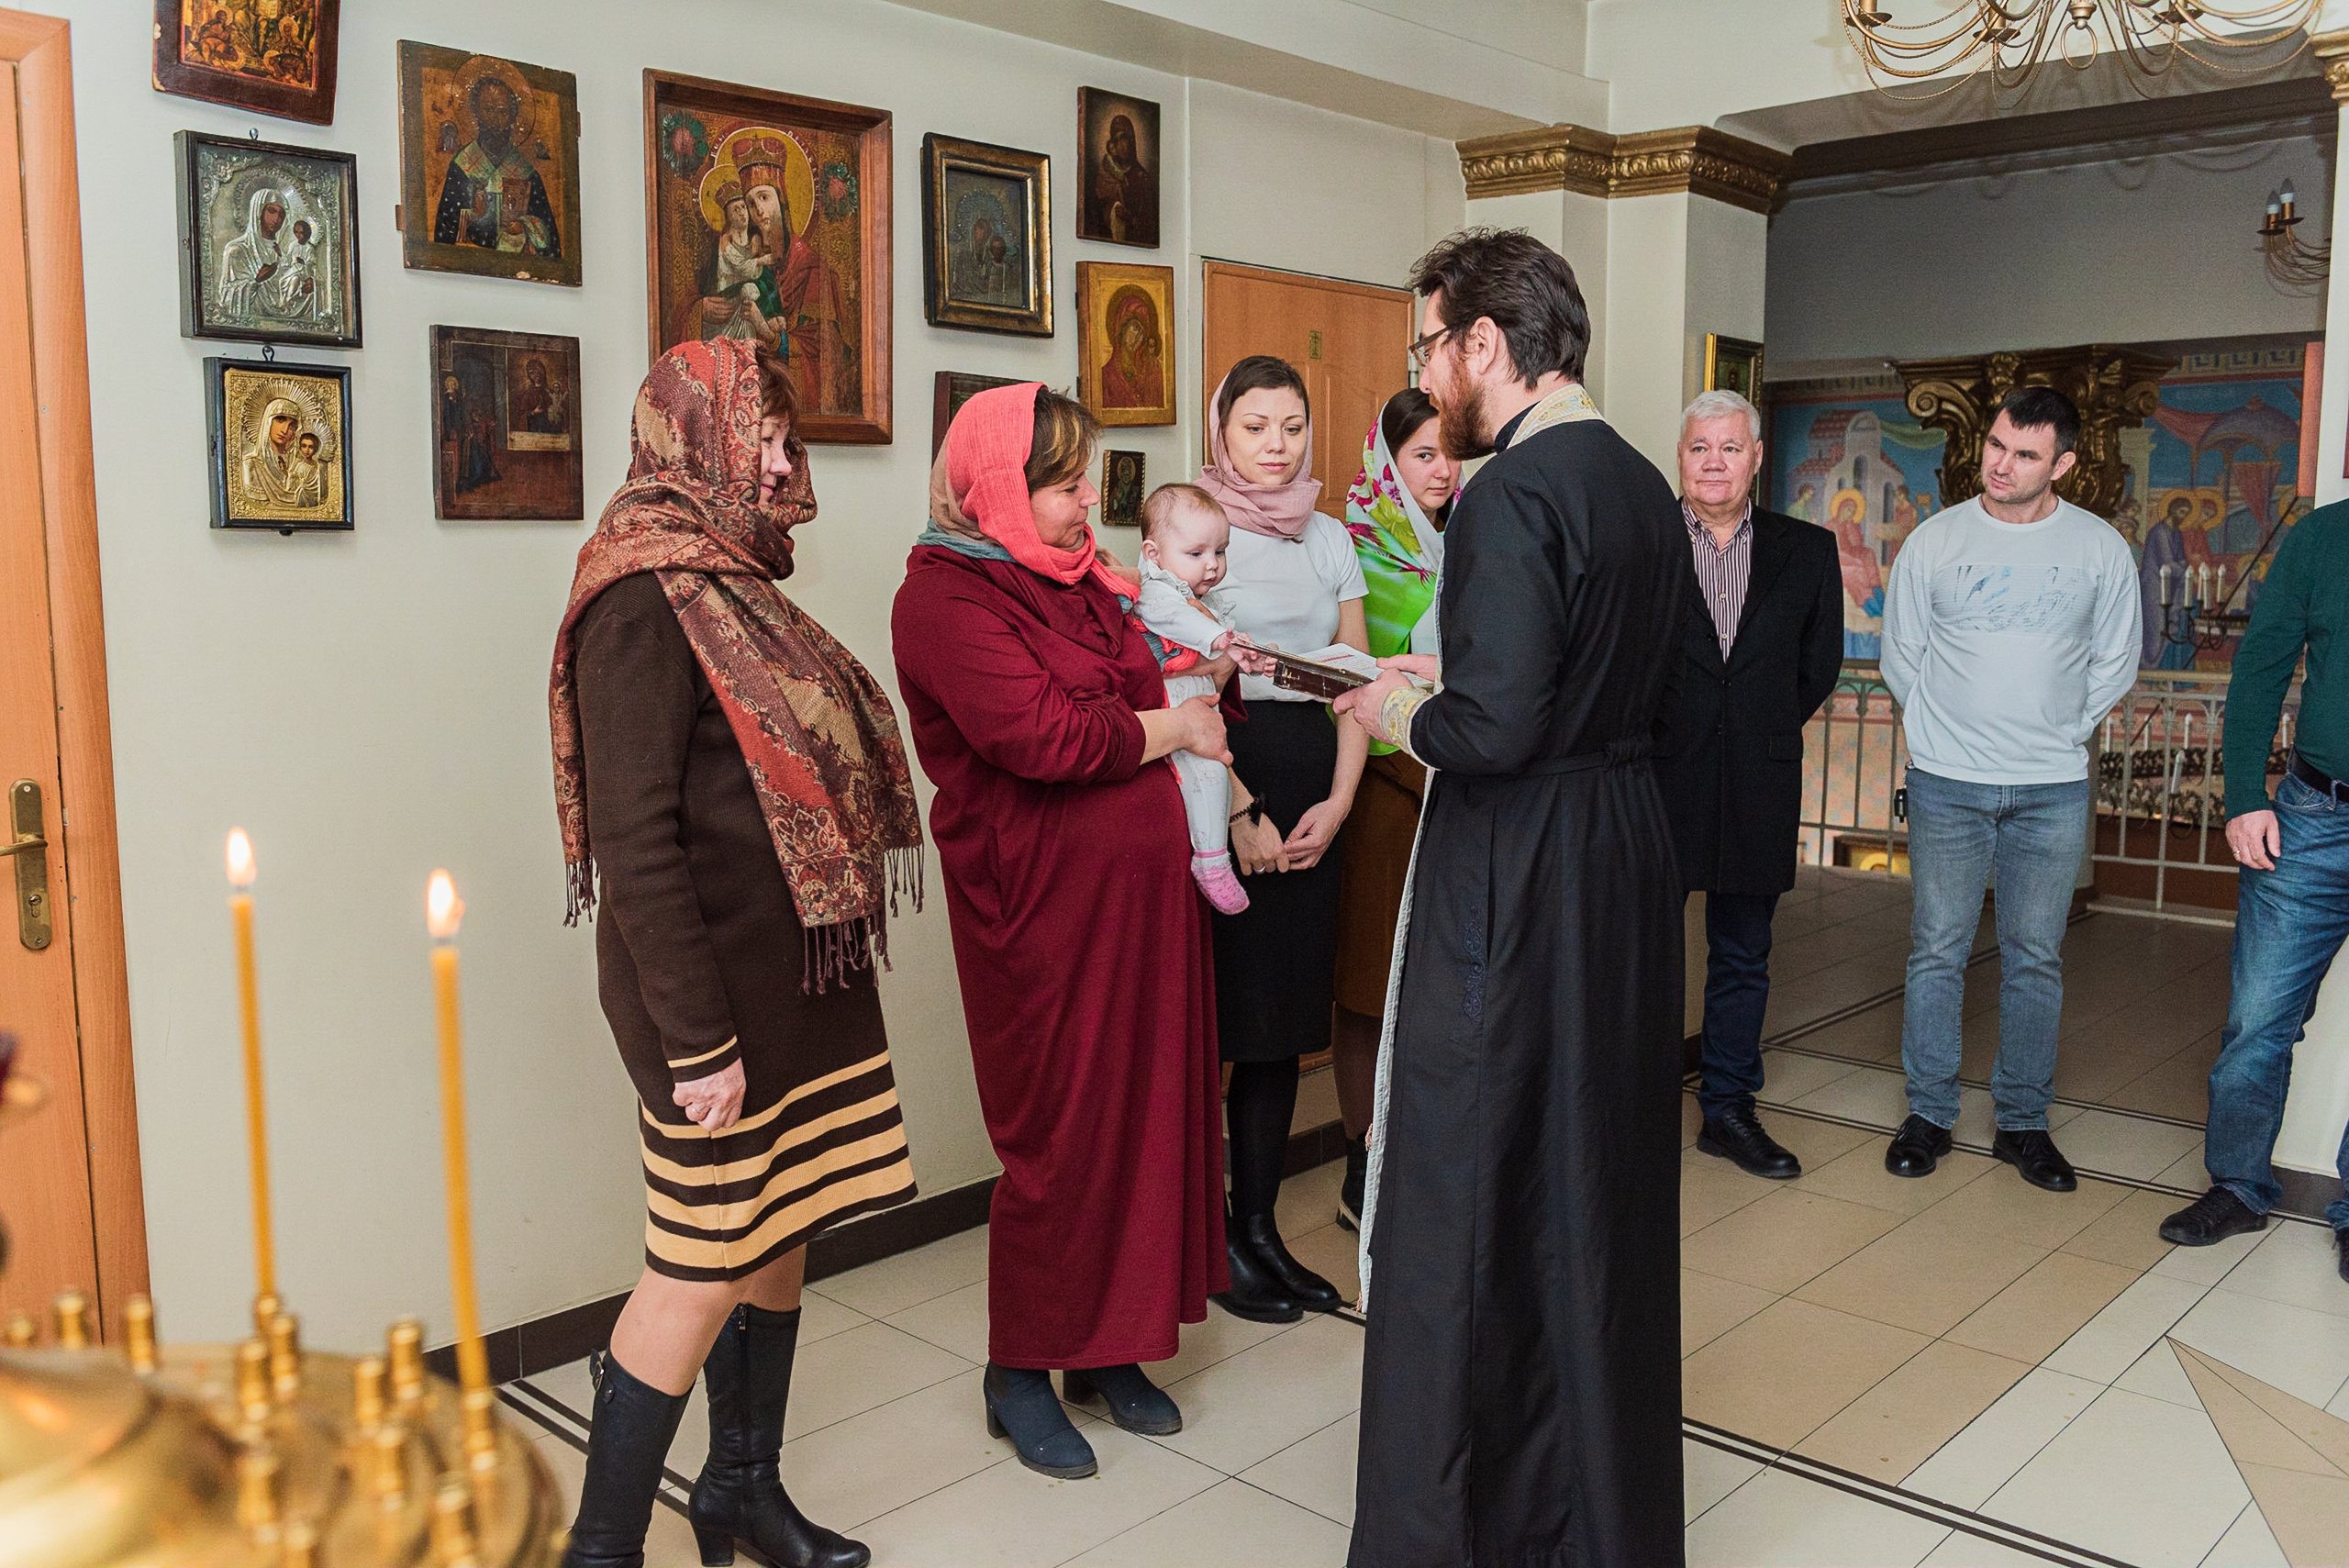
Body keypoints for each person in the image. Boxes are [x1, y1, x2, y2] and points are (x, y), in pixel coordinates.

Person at [1333, 227, 1688, 1568]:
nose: (1427, 379)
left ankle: (1466, 1526)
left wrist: (1393, 704)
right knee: (1591, 1174)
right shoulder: (1645, 485)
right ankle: (1594, 1517)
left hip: (1521, 866)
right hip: (1620, 856)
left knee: (1469, 1181)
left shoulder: (1509, 497)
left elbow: (1493, 725)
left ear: (1489, 345)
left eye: (1431, 348)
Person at [548, 338, 922, 1568]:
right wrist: (697, 1041)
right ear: (688, 435)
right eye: (755, 432)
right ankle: (601, 1549)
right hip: (713, 1008)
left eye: (783, 431)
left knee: (781, 1228)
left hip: (795, 980)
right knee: (699, 1265)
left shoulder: (736, 574)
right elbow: (635, 841)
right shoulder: (639, 592)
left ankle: (740, 1493)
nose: (780, 456)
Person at [891, 383, 1233, 1480]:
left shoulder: (1087, 584)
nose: (1090, 502)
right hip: (1037, 909)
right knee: (1060, 1133)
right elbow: (1043, 736)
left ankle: (1113, 1347)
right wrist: (1171, 724)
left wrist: (1140, 720)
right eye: (1063, 484)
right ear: (992, 487)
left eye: (1087, 478)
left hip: (1139, 901)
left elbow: (1117, 695)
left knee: (1145, 1111)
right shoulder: (943, 598)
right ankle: (1020, 1368)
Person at [1879, 387, 2141, 1191]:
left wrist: (2060, 730)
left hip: (2050, 789)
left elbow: (2117, 660)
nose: (2000, 463)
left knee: (2035, 956)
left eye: (2025, 453)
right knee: (1936, 950)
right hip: (1947, 783)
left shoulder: (2098, 548)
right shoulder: (1936, 540)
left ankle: (2022, 1124)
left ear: (2062, 462)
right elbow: (1902, 656)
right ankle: (1928, 1113)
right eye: (1996, 445)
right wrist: (1934, 741)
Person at [1197, 354, 1366, 1323]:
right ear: (1223, 430)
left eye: (1292, 426)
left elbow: (1352, 677)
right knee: (1224, 1024)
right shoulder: (1197, 531)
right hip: (1232, 777)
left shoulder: (1330, 537)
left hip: (1314, 784)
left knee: (1279, 1036)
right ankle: (1209, 1237)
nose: (1275, 446)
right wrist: (1233, 807)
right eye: (1255, 426)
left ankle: (1257, 1228)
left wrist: (1340, 801)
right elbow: (1182, 687)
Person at [1654, 389, 1844, 1181]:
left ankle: (1729, 1108)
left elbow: (1818, 665)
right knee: (1644, 950)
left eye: (1731, 447)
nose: (1714, 462)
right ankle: (1632, 1105)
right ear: (1681, 456)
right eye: (1701, 447)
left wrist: (1755, 724)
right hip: (1657, 777)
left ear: (1758, 457)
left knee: (1743, 953)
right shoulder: (1645, 541)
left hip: (1759, 781)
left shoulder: (1808, 549)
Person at [2160, 497, 2349, 1284]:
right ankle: (2237, 1184)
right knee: (2258, 1020)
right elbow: (2263, 661)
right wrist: (2244, 795)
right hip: (2312, 815)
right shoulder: (2322, 537)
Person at [1330, 388, 1458, 1229]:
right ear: (1387, 461)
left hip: (1457, 782)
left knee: (1437, 987)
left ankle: (1419, 1163)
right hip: (1383, 787)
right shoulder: (1353, 547)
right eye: (1423, 455)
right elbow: (1341, 668)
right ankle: (1357, 1169)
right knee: (1372, 983)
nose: (1443, 471)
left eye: (1451, 454)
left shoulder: (1476, 539)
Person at [1130, 484, 1252, 913]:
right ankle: (1212, 861)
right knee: (1205, 775)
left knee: (1213, 773)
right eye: (1197, 554)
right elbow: (1175, 619)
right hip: (1173, 706)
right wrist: (1221, 639)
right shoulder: (1155, 590)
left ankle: (1212, 855)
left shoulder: (1198, 595)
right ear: (1153, 553)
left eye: (1220, 552)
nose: (1213, 565)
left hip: (1198, 703)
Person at [431, 72, 561, 257]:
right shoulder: (462, 165)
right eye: (489, 109)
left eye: (503, 111)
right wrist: (474, 214)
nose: (495, 120)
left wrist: (524, 227)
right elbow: (445, 229)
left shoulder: (527, 173)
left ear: (513, 117)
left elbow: (549, 237)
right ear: (476, 112)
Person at [1085, 112, 1157, 245]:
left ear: (1132, 141)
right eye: (1116, 141)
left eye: (1124, 139)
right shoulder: (1105, 174)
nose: (1121, 146)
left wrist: (1129, 218)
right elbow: (1094, 217)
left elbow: (1150, 227)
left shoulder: (1143, 179)